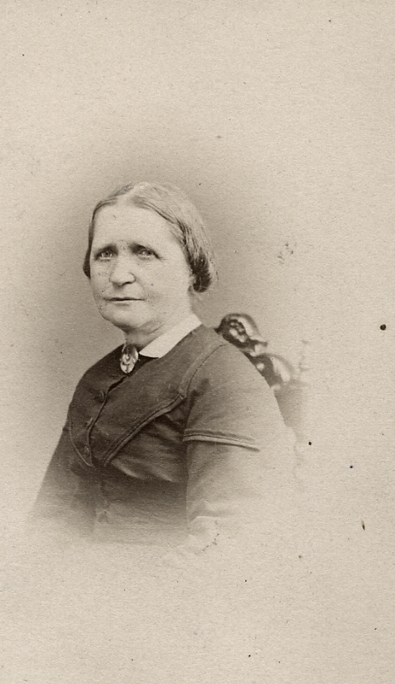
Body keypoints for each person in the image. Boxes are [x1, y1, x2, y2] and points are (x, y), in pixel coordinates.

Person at [32, 182, 295, 550]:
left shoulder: (223, 382)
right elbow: (51, 521)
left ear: (191, 268)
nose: (119, 275)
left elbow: (229, 549)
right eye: (105, 254)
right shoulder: (98, 376)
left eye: (144, 253)